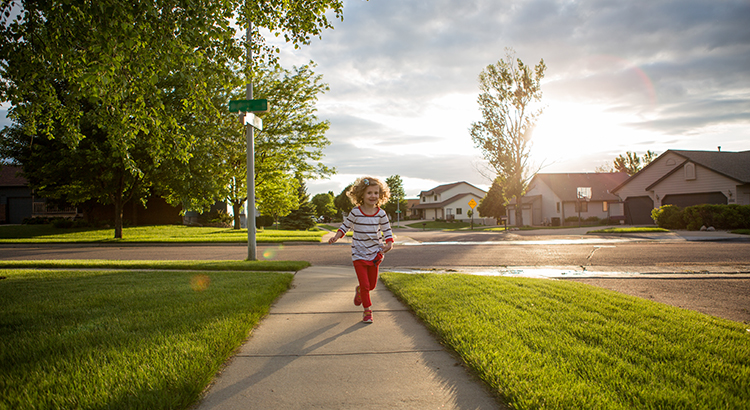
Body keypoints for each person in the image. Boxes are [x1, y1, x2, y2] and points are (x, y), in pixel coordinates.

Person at [328, 176, 394, 323]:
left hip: (375, 254)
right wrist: (337, 236)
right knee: (365, 285)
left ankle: (359, 291)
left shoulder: (381, 214)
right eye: (369, 193)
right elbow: (345, 226)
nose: (373, 196)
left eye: (376, 193)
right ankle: (367, 311)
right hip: (358, 254)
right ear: (361, 195)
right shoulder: (355, 212)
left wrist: (389, 243)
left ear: (381, 195)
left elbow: (387, 230)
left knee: (371, 285)